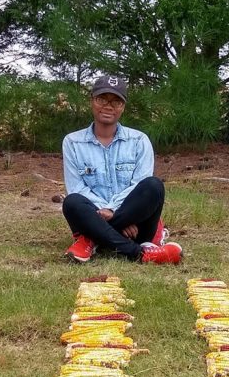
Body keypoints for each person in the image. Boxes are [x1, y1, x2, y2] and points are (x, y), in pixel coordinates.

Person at [61, 75, 182, 264]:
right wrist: (105, 212)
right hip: (95, 215)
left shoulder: (139, 140)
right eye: (102, 99)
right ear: (92, 101)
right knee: (72, 202)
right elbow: (76, 187)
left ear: (123, 107)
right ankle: (139, 253)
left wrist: (114, 211)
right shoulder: (72, 142)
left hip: (135, 225)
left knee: (153, 186)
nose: (108, 106)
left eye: (116, 101)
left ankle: (91, 239)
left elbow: (139, 185)